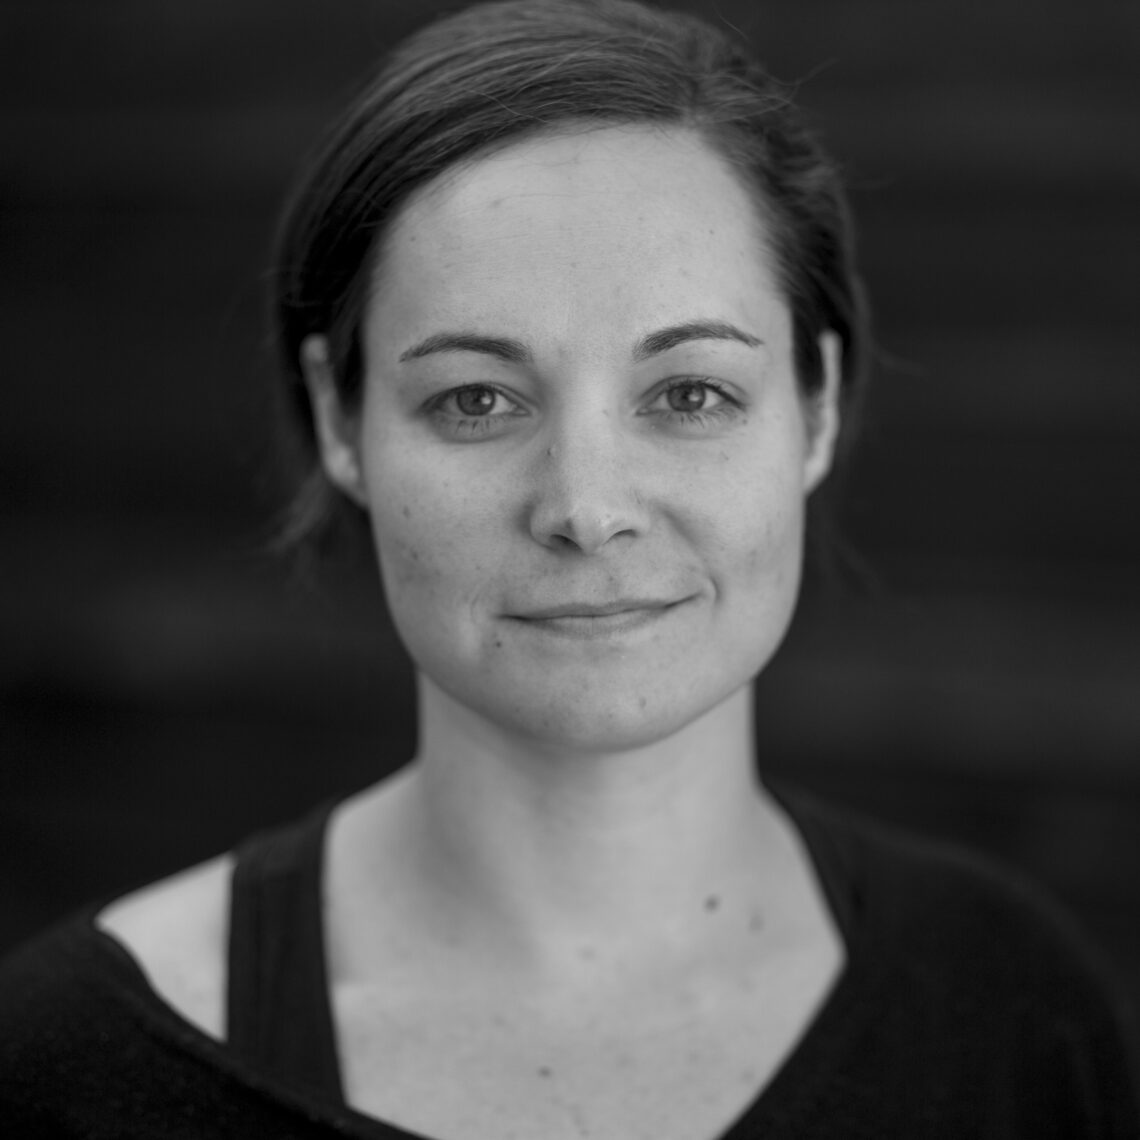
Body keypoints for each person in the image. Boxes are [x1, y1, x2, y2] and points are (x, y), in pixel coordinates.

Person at [1, 0, 1137, 1135]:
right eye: (475, 400)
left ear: (818, 403)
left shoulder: (1015, 1015)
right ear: (339, 420)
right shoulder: (67, 1071)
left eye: (691, 394)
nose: (587, 509)